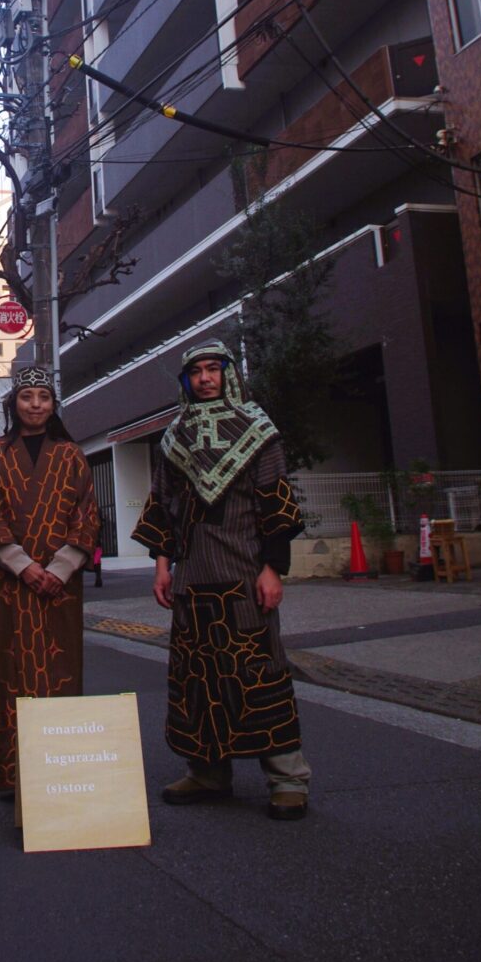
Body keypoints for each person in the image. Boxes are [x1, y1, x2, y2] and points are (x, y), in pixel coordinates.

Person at [131, 339, 312, 821]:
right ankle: (208, 772)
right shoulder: (174, 437)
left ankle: (287, 779)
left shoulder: (258, 429)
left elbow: (276, 500)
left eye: (214, 369)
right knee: (198, 679)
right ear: (185, 380)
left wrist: (273, 568)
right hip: (193, 581)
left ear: (228, 374)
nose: (205, 378)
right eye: (196, 371)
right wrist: (162, 566)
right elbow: (162, 504)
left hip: (245, 575)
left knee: (262, 673)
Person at [0, 366, 100, 798]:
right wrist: (21, 564)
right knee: (8, 674)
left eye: (43, 397)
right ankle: (13, 776)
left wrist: (60, 568)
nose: (36, 405)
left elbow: (86, 516)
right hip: (8, 587)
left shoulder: (71, 455)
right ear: (14, 403)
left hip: (58, 589)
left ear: (53, 404)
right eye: (27, 397)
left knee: (60, 672)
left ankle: (61, 772)